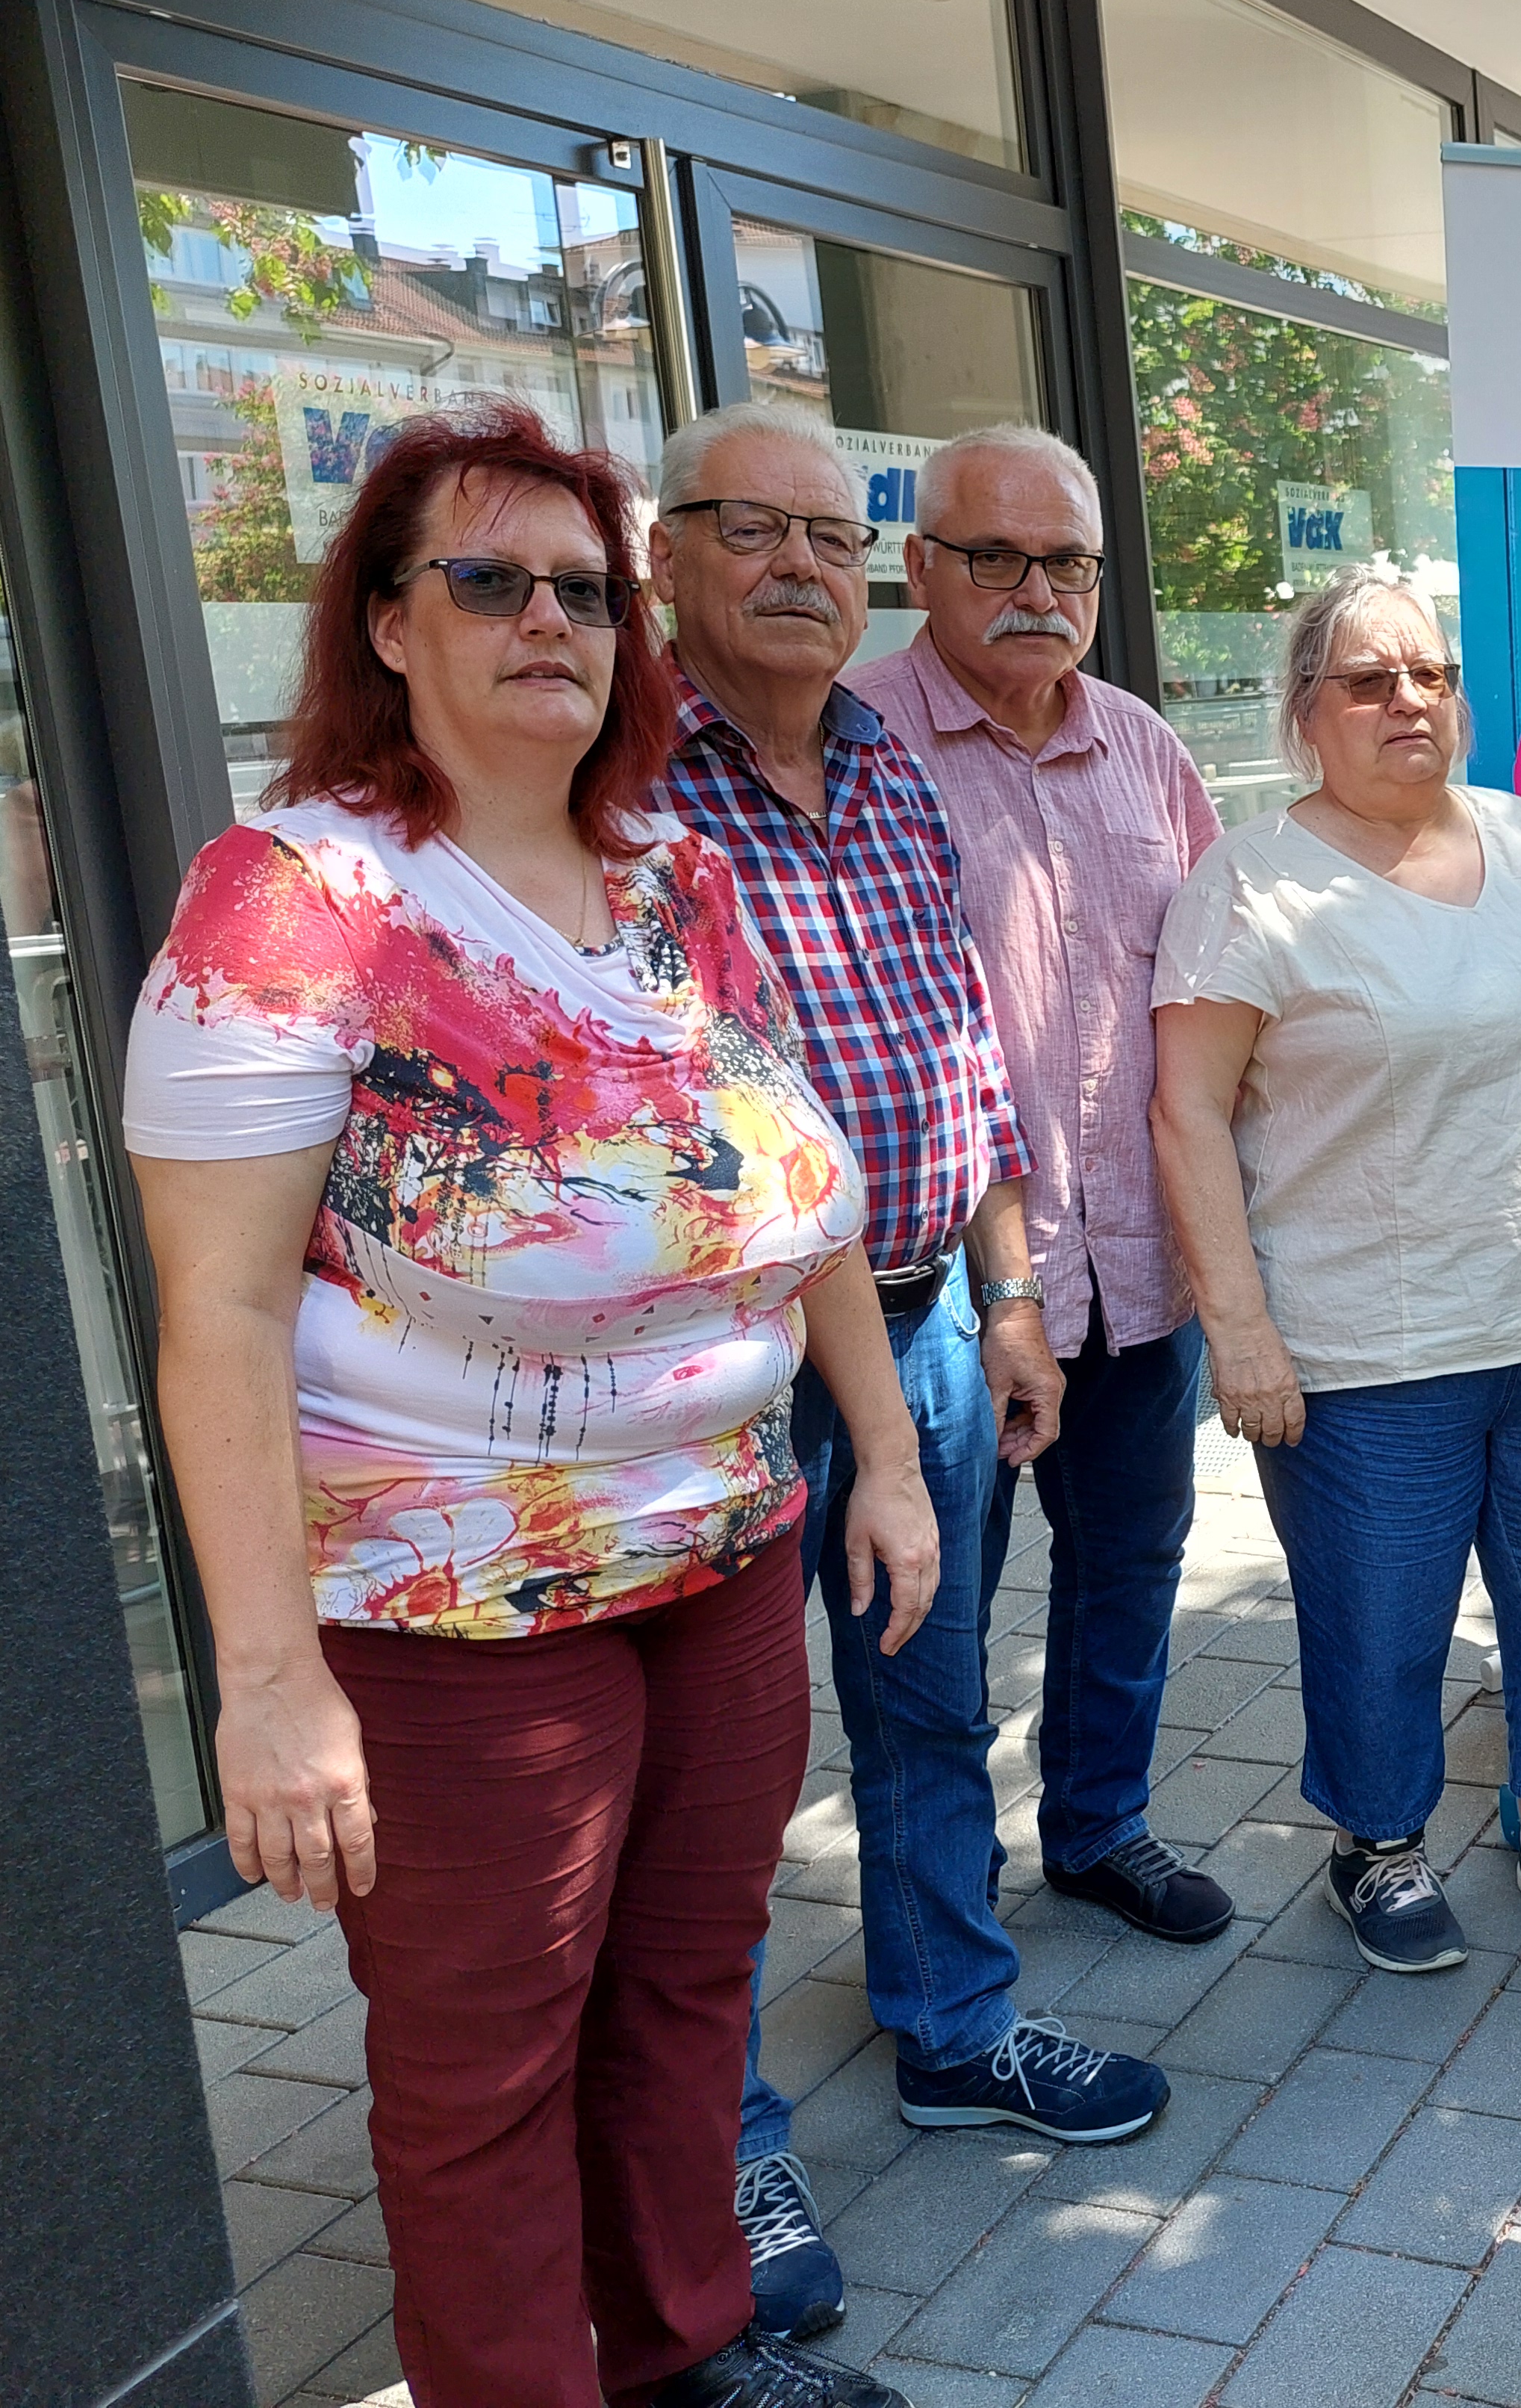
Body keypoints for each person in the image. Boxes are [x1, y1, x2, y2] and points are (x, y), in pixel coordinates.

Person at [120, 401, 922, 2408]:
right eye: (485, 577)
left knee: (679, 1993)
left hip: (725, 1551)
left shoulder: (668, 871)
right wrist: (269, 1676)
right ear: (385, 623)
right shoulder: (295, 897)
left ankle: (685, 2349)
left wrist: (887, 1456)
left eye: (582, 585)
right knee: (484, 2075)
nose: (545, 617)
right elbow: (213, 1311)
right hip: (450, 1610)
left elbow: (797, 1176)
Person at [652, 401, 1172, 2345]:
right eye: (749, 529)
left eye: (822, 530)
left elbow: (958, 1065)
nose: (798, 562)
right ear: (671, 558)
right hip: (701, 1367)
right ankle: (722, 2148)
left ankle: (953, 2024)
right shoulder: (628, 785)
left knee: (928, 1691)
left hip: (930, 1320)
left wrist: (1011, 1302)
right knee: (714, 1771)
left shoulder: (870, 767)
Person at [1152, 570, 1521, 1976]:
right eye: (1368, 680)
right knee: (1379, 1618)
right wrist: (1238, 1326)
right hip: (1365, 1336)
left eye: (1430, 675)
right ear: (1305, 713)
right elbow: (1185, 1108)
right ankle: (1375, 1843)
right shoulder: (1250, 881)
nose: (1408, 701)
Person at [847, 423, 1234, 1955]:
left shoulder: (1144, 747)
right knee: (928, 1622)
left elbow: (1218, 997)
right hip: (937, 1291)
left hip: (1140, 1266)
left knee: (1130, 1567)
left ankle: (1099, 1829)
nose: (1035, 589)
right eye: (995, 557)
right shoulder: (856, 739)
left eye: (1065, 560)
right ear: (919, 566)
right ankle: (939, 1921)